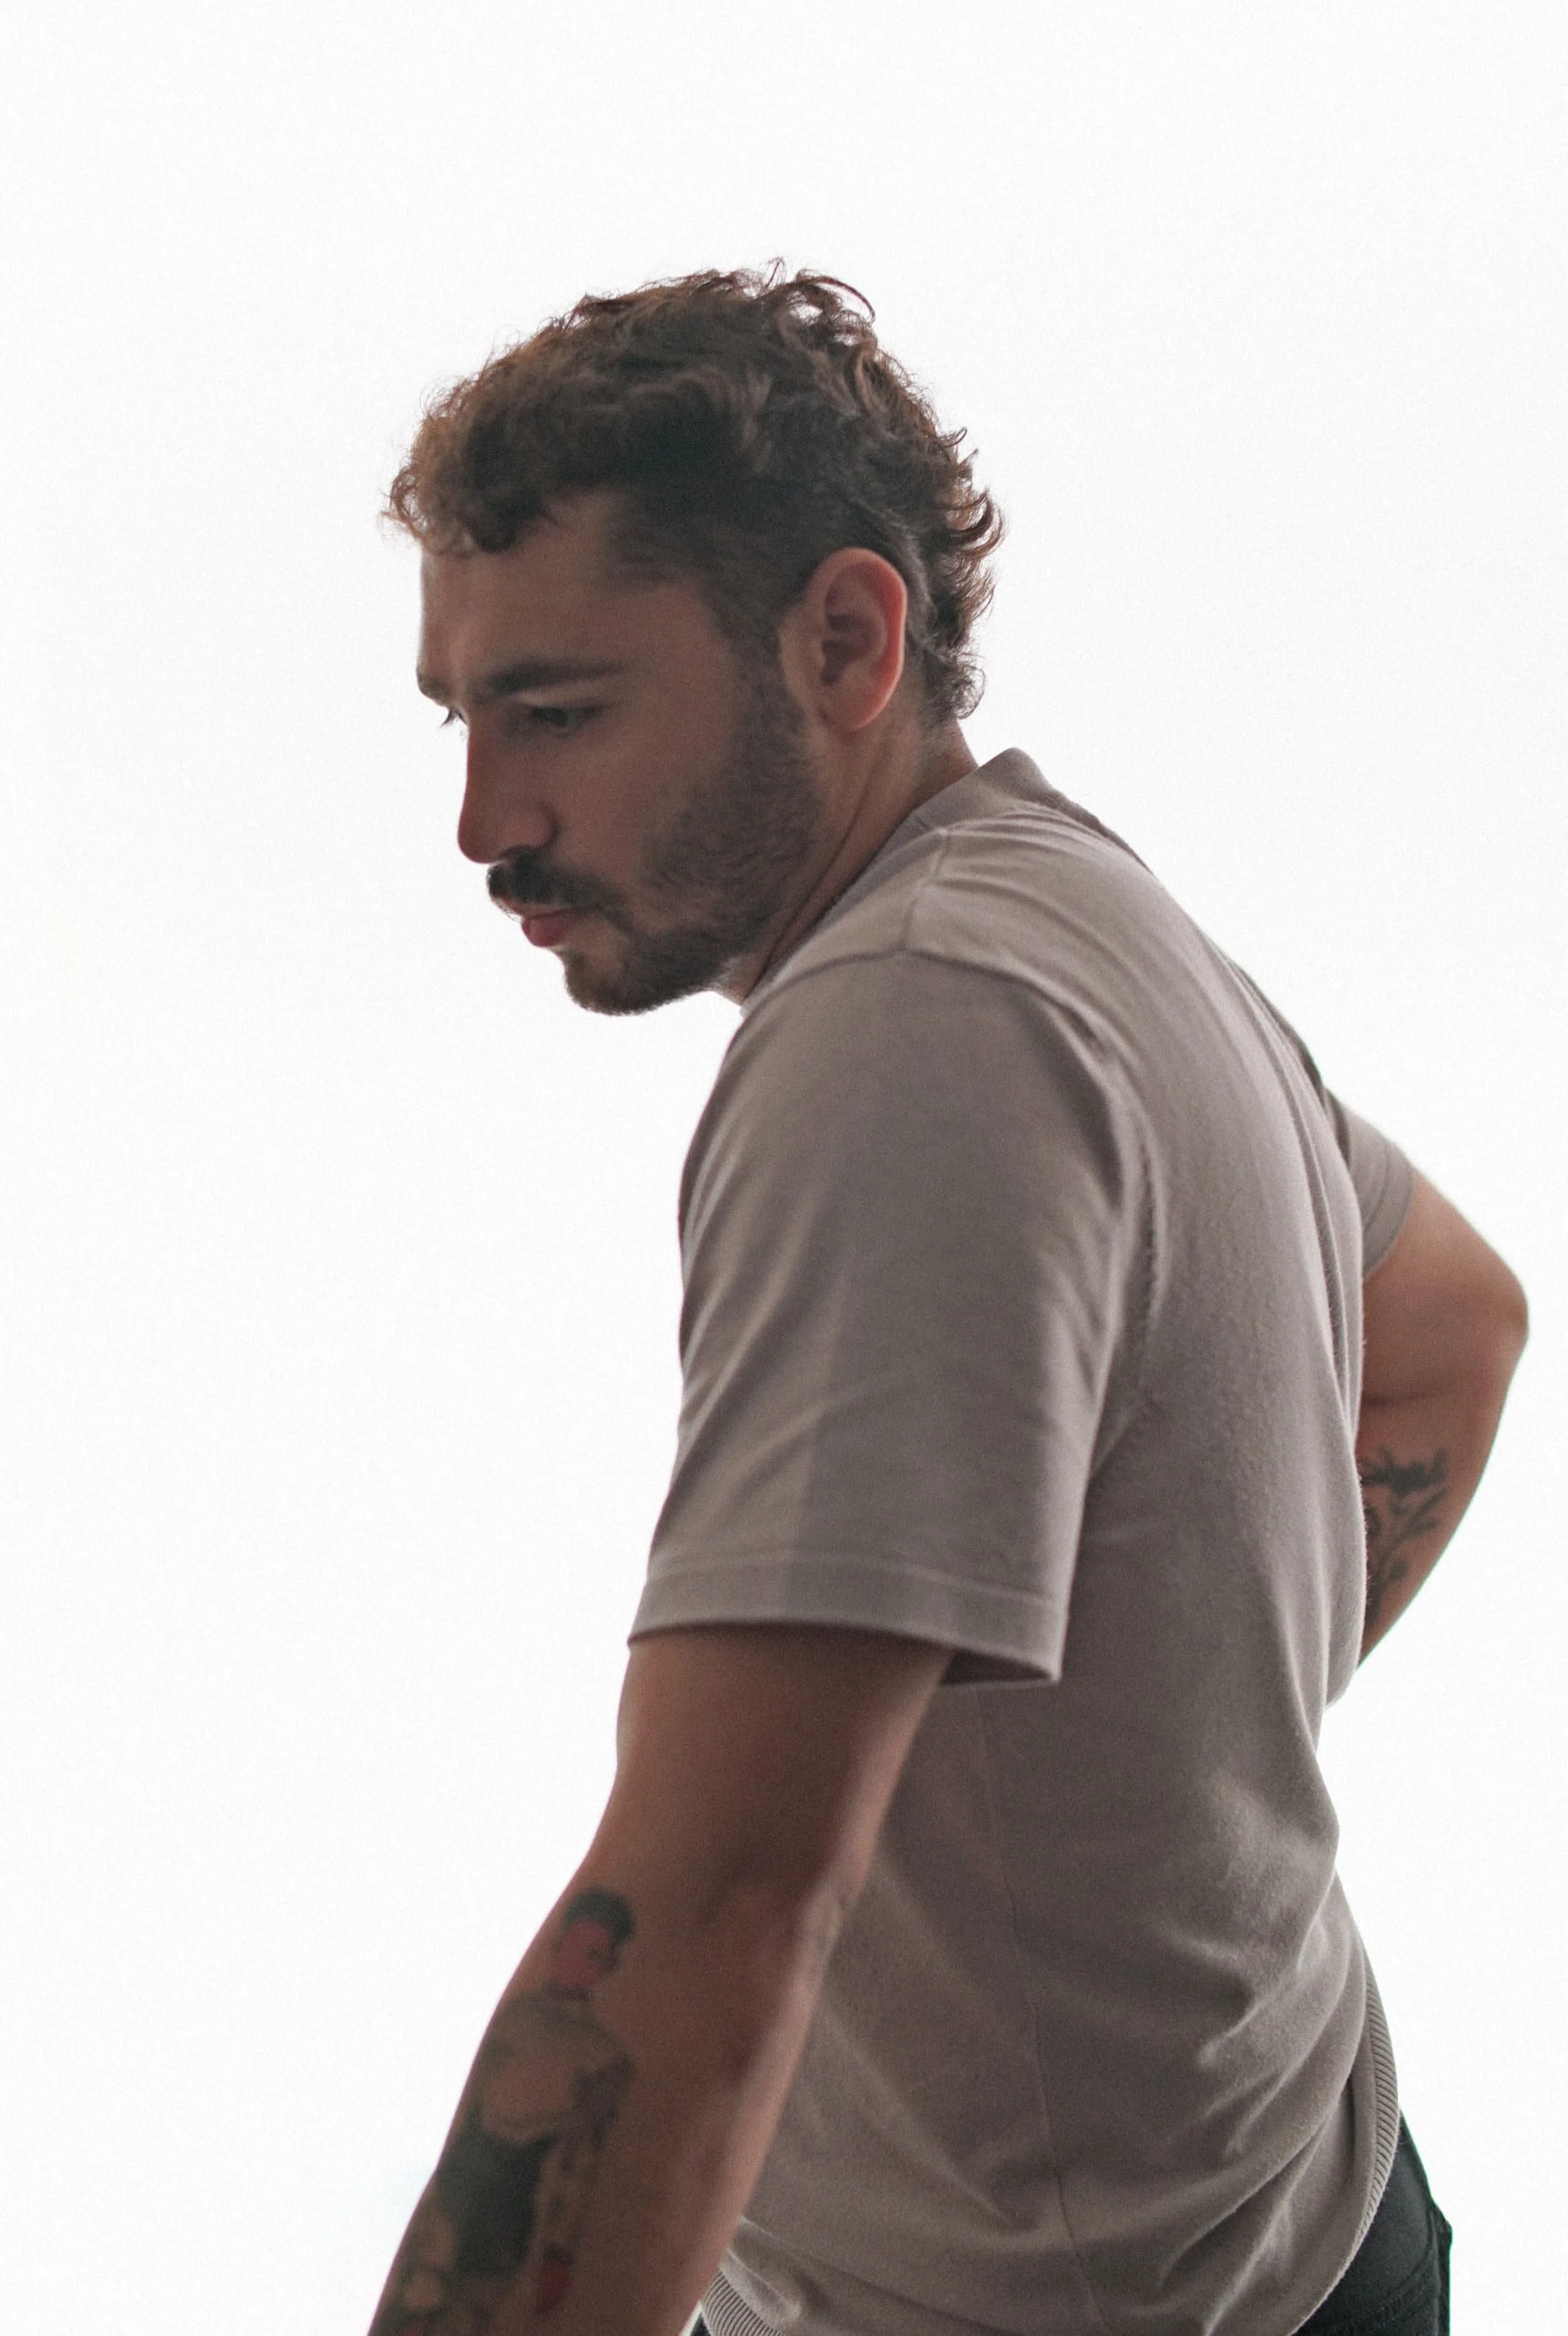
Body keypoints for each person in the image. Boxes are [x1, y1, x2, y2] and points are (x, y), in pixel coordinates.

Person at [367, 270, 1527, 2336]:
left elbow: (714, 1909)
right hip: (1310, 2212)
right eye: (461, 718)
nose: (484, 822)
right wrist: (1165, 1760)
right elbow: (1450, 1320)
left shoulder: (911, 1032)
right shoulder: (1072, 915)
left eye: (556, 714)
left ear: (845, 638)